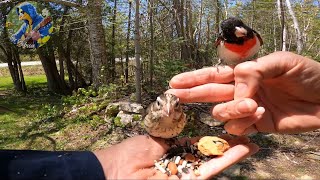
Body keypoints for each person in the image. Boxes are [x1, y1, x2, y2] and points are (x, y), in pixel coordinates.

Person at [1, 51, 319, 179]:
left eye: (175, 108)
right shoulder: (152, 119)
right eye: (161, 107)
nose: (169, 112)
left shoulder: (181, 119)